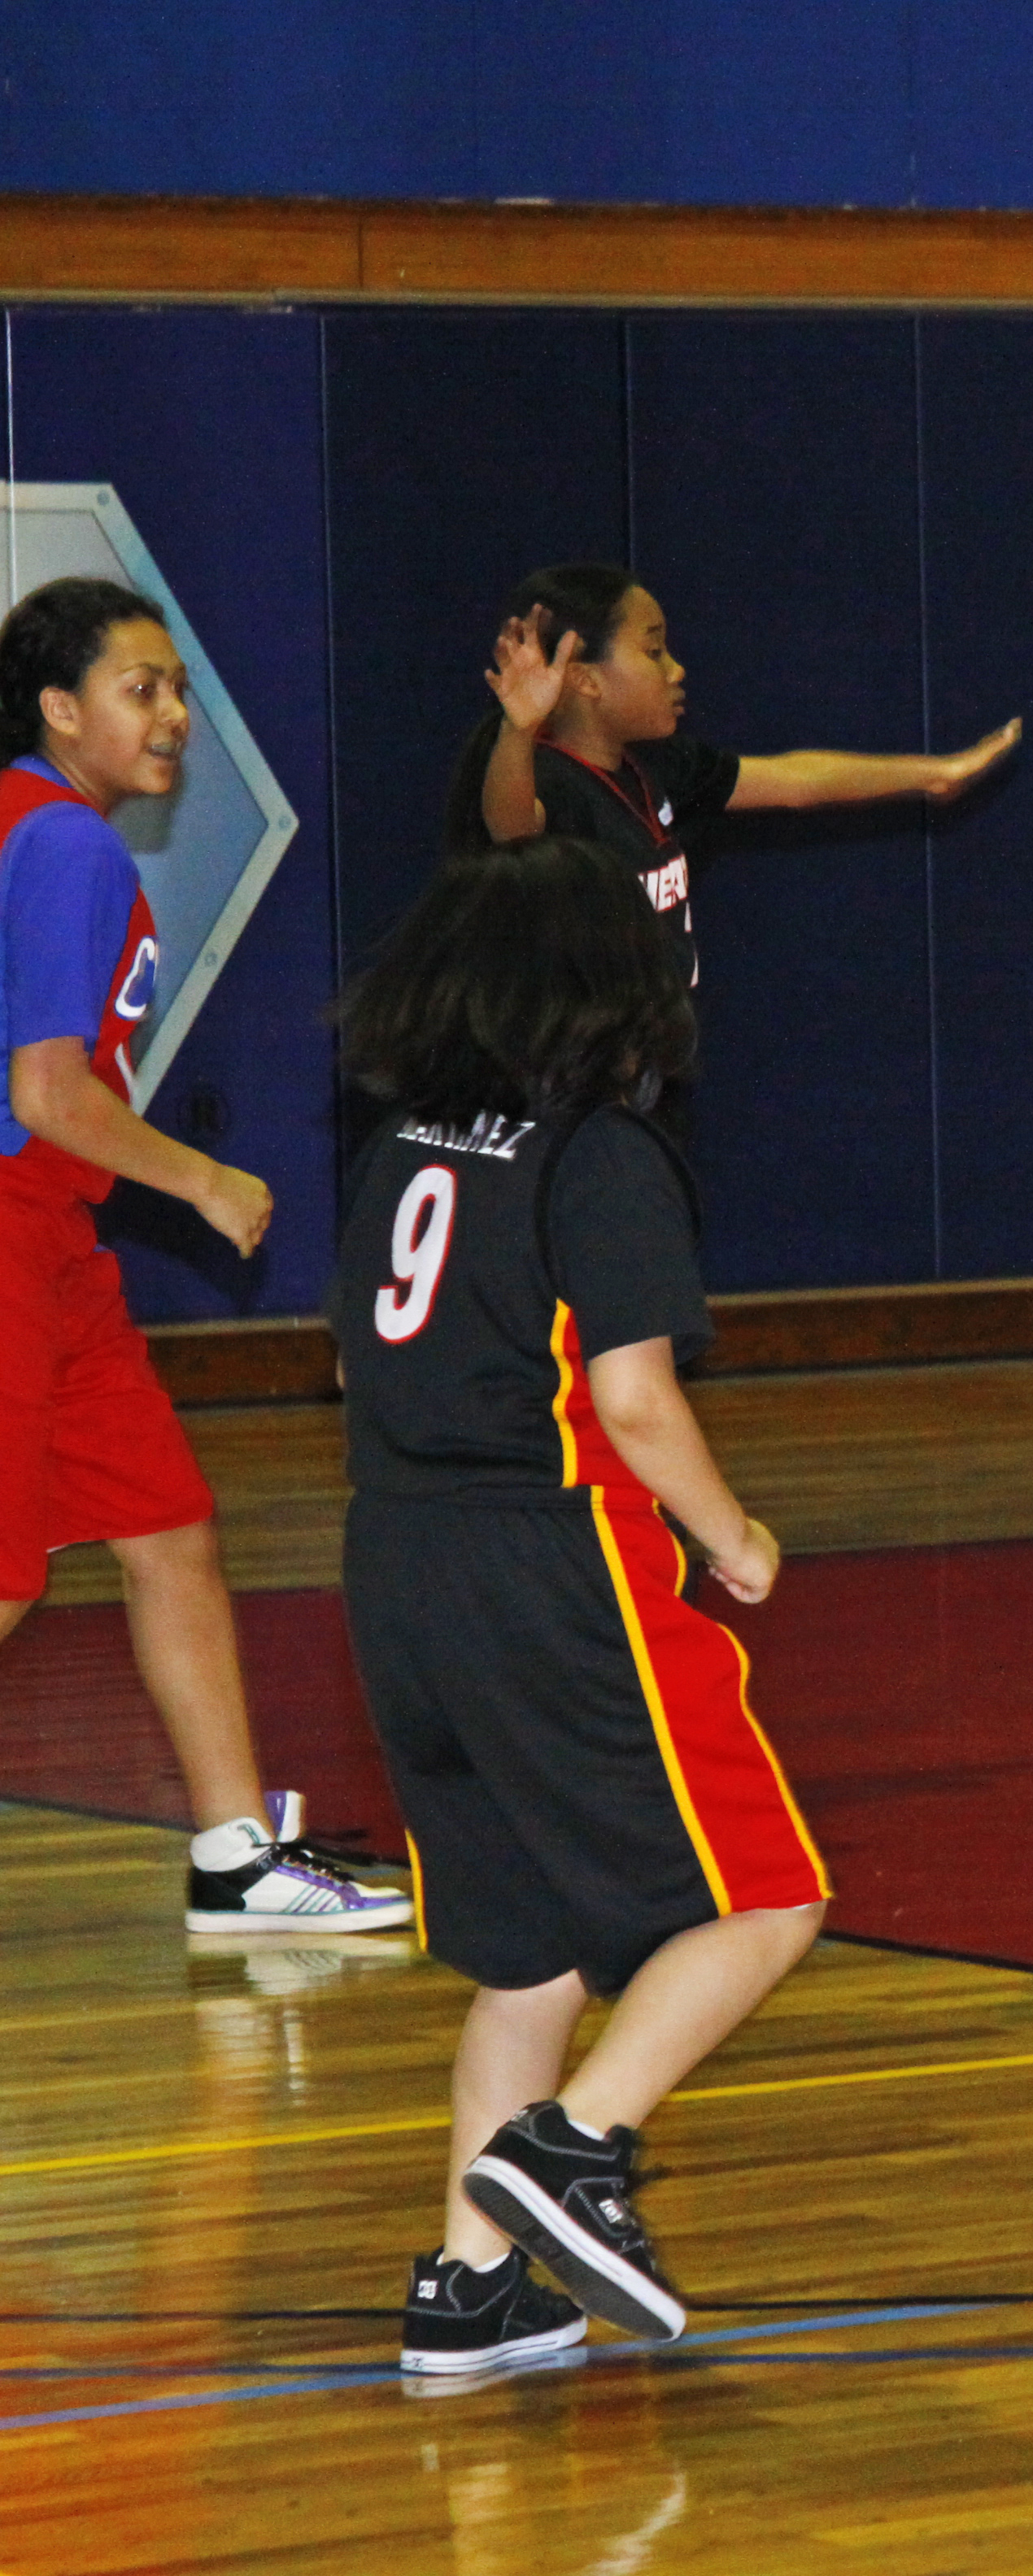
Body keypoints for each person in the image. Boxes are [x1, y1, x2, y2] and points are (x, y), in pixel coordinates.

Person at [330, 833, 830, 2373]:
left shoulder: (404, 1141)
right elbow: (630, 1393)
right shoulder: (597, 1146)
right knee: (768, 1894)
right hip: (557, 1564)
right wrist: (730, 1530)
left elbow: (357, 1364)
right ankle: (577, 2147)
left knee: (527, 1953)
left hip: (394, 1561)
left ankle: (471, 2284)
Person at [0, 577, 405, 1936]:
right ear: (60, 710)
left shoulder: (30, 825)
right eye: (140, 687)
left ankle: (234, 1854)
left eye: (177, 685)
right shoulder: (65, 845)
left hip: (53, 1243)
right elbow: (51, 1092)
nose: (174, 713)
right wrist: (208, 1180)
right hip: (10, 1224)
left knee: (169, 1526)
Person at [445, 561, 1020, 982]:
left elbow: (799, 781)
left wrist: (936, 773)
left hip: (648, 1068)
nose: (676, 669)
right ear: (584, 679)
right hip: (565, 1087)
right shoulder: (542, 777)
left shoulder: (662, 763)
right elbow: (513, 830)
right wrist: (518, 730)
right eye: (654, 652)